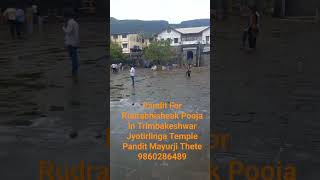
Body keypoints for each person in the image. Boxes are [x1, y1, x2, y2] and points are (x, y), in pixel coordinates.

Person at [63, 11, 80, 76]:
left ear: (67, 17)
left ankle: (74, 71)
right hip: (74, 42)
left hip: (71, 43)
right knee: (74, 57)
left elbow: (68, 32)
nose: (64, 19)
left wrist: (63, 27)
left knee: (73, 58)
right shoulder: (75, 23)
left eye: (64, 17)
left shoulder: (70, 23)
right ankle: (75, 70)